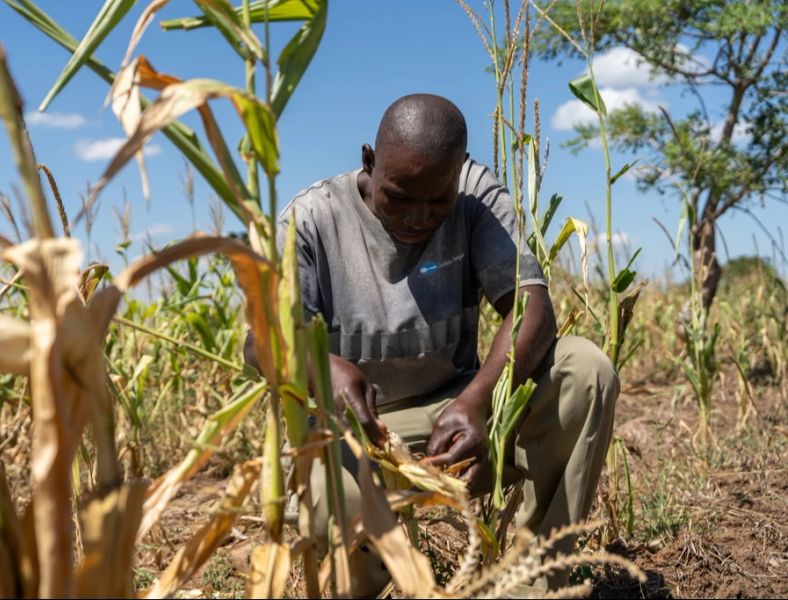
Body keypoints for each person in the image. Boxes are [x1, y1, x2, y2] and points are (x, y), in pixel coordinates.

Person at [247, 93, 618, 596]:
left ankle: (533, 584)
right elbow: (259, 344)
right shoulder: (311, 220)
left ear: (457, 174)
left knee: (585, 370)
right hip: (357, 436)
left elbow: (530, 305)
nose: (420, 218)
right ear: (369, 162)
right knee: (332, 500)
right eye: (399, 196)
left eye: (437, 201)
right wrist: (321, 367)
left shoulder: (474, 196)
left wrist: (476, 402)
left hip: (457, 418)